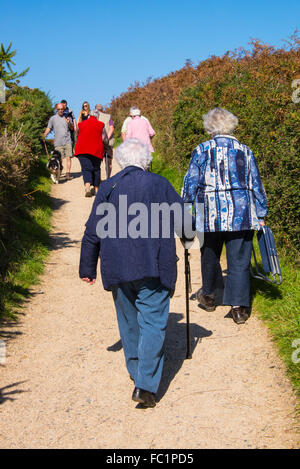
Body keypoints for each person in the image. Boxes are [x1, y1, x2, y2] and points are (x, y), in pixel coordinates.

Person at [79, 139, 194, 407]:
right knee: (153, 323)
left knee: (129, 323)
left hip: (117, 268)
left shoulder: (108, 187)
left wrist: (87, 268)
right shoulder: (160, 184)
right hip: (154, 266)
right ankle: (145, 385)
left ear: (120, 161)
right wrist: (189, 239)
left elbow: (92, 232)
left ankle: (136, 374)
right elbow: (184, 222)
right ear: (146, 161)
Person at [182, 108, 268, 325]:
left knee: (209, 254)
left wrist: (184, 207)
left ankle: (210, 296)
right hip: (241, 213)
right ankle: (239, 308)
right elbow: (256, 183)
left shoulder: (201, 149)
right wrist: (261, 212)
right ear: (232, 125)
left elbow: (190, 181)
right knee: (239, 260)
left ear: (209, 127)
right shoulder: (245, 151)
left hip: (208, 213)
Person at [74, 109, 109, 197]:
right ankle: (97, 189)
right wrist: (106, 145)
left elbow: (77, 136)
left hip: (82, 150)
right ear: (97, 117)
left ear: (89, 116)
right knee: (96, 168)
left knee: (86, 169)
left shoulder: (81, 124)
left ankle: (87, 188)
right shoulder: (101, 124)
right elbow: (104, 138)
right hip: (96, 150)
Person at [44, 102, 74, 180]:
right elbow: (49, 128)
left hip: (67, 140)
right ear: (56, 110)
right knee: (59, 159)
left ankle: (68, 174)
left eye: (62, 109)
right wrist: (44, 135)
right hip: (58, 142)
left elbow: (72, 128)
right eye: (59, 109)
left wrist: (69, 123)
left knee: (68, 158)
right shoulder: (53, 118)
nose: (60, 110)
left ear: (64, 109)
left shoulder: (67, 117)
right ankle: (58, 173)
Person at [95, 104, 115, 178]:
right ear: (102, 109)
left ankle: (98, 179)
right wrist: (106, 138)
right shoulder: (108, 116)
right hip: (108, 143)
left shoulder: (94, 117)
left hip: (97, 142)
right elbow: (111, 128)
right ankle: (108, 178)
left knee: (97, 162)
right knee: (108, 162)